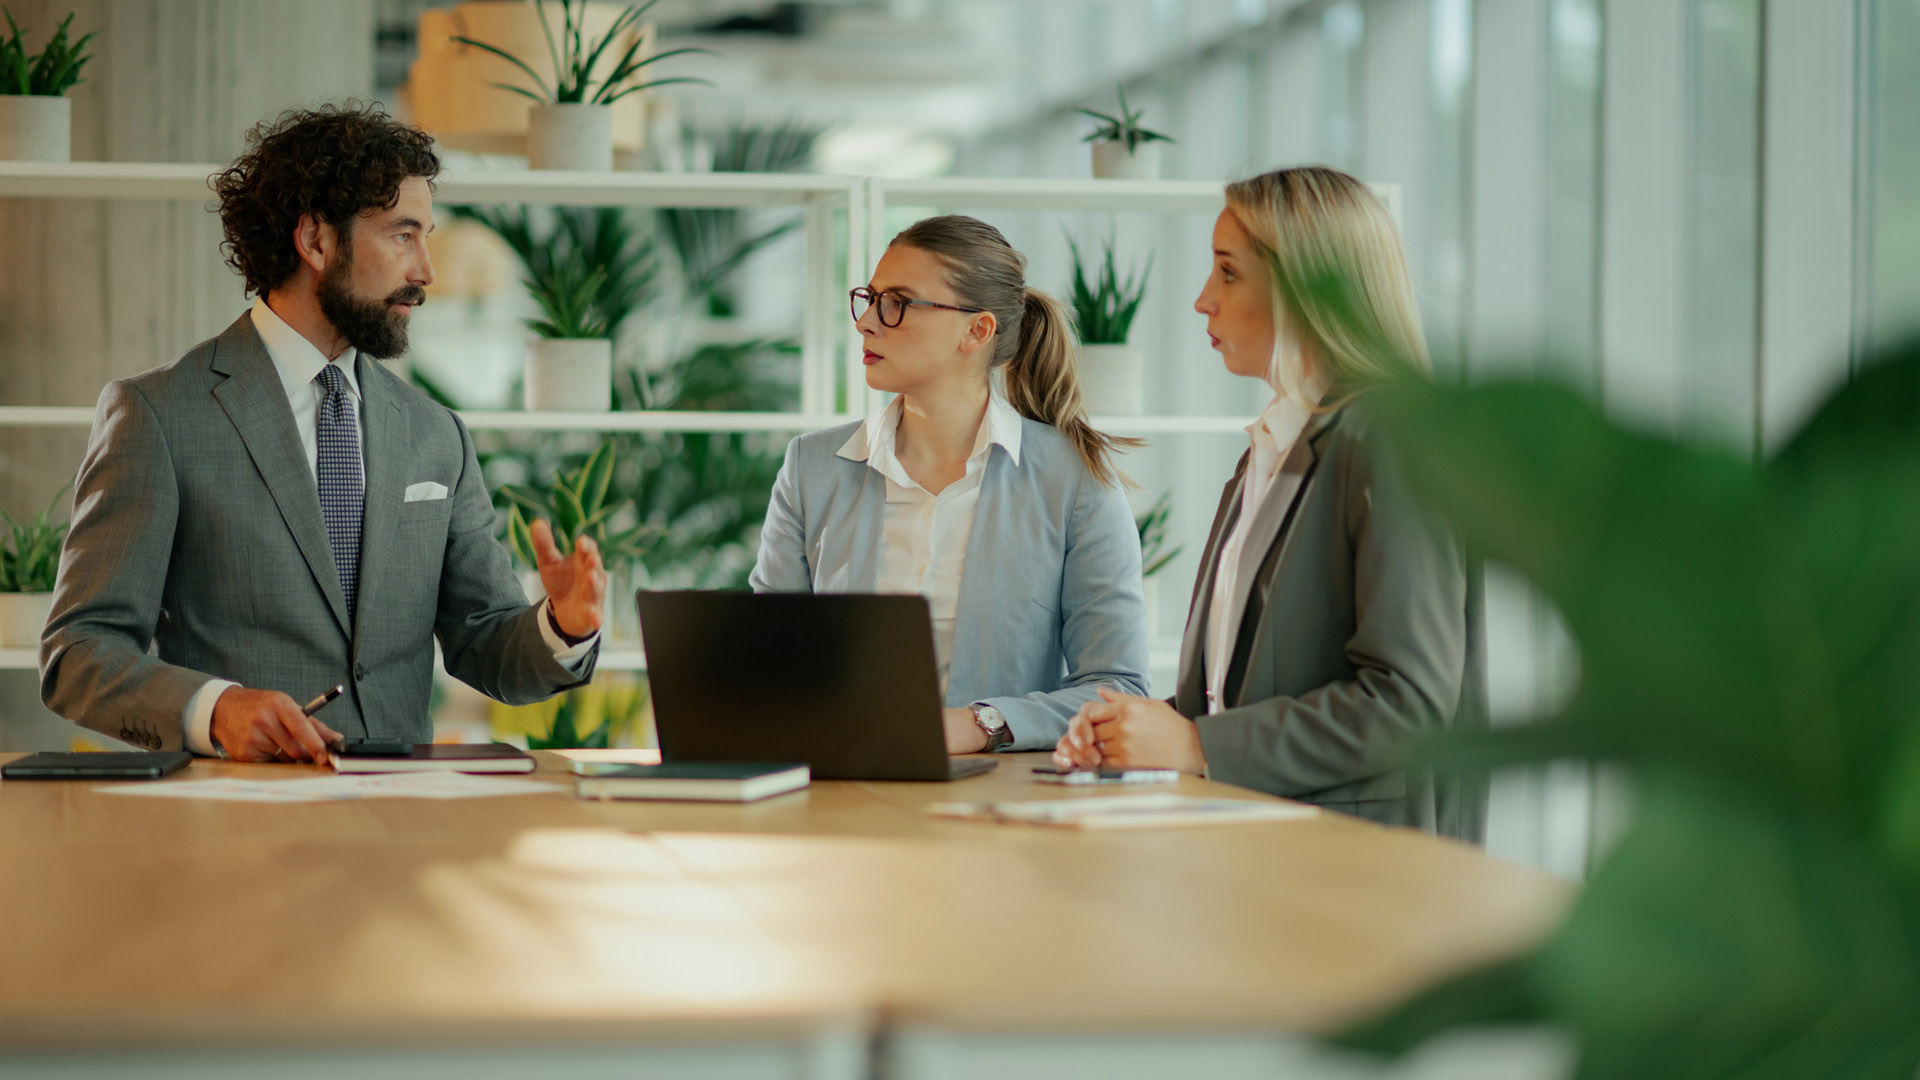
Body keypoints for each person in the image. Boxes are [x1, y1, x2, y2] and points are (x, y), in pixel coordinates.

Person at [39, 103, 607, 762]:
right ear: (315, 241)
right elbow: (79, 653)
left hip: (401, 829)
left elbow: (484, 643)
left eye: (426, 236)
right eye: (402, 235)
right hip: (237, 823)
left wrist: (560, 626)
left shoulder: (435, 435)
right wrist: (216, 709)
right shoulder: (159, 415)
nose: (426, 269)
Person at [1053, 167, 1485, 840]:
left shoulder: (1394, 446)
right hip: (1264, 847)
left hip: (1361, 869)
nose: (1202, 300)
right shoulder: (1271, 450)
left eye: (1227, 272)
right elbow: (1247, 689)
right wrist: (1141, 732)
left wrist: (1198, 746)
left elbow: (1409, 706)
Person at [751, 215, 1150, 754]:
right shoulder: (811, 467)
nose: (867, 321)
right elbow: (766, 662)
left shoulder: (1075, 478)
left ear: (976, 330)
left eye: (897, 302)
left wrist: (978, 724)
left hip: (1003, 806)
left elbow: (1117, 688)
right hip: (839, 789)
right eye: (869, 298)